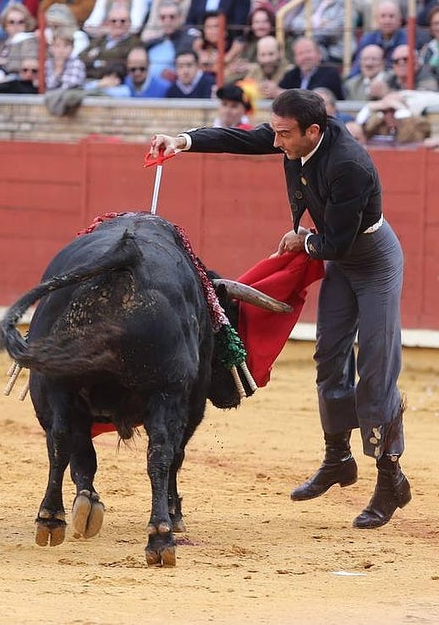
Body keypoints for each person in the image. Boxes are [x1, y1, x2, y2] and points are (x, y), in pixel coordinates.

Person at [149, 88, 411, 529]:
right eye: (276, 132)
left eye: (284, 135)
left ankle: (389, 478)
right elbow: (242, 139)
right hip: (341, 263)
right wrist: (183, 141)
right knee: (328, 357)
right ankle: (338, 459)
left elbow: (337, 243)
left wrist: (302, 241)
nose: (275, 143)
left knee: (378, 366)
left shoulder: (349, 164)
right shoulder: (294, 140)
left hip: (373, 262)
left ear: (314, 130)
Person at [279, 35, 344, 99]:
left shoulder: (330, 72)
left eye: (308, 52)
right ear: (295, 58)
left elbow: (314, 98)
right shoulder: (291, 75)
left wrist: (283, 93)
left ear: (319, 54)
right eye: (300, 53)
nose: (305, 57)